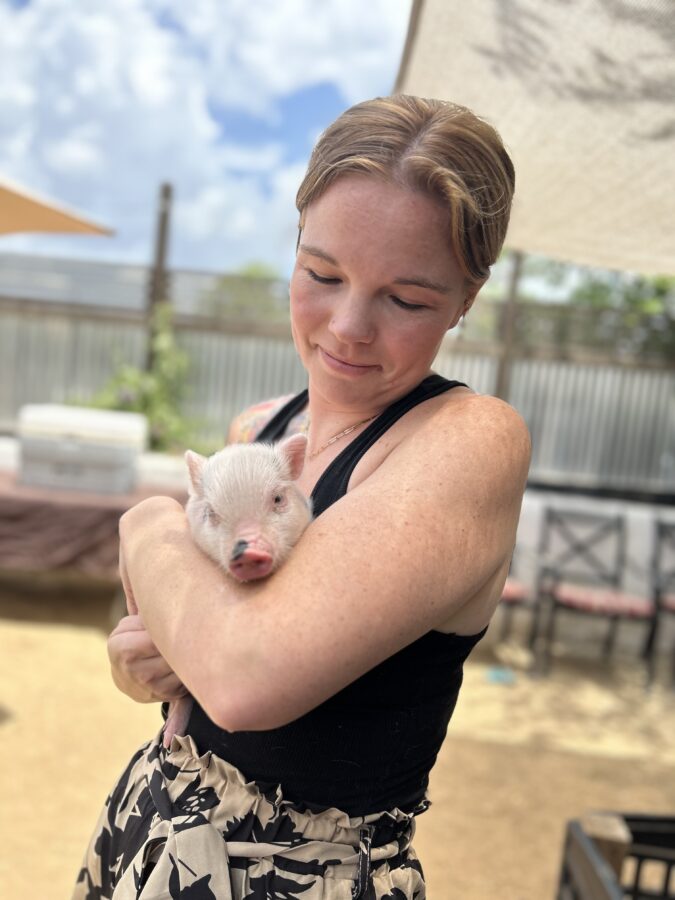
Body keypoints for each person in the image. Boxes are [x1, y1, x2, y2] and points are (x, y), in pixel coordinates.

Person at [73, 94, 530, 899]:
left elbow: (246, 678)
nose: (348, 325)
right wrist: (146, 662)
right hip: (156, 823)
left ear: (467, 296)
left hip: (298, 874)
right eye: (321, 273)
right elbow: (197, 657)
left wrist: (144, 524)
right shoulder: (259, 432)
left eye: (408, 299)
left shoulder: (466, 441)